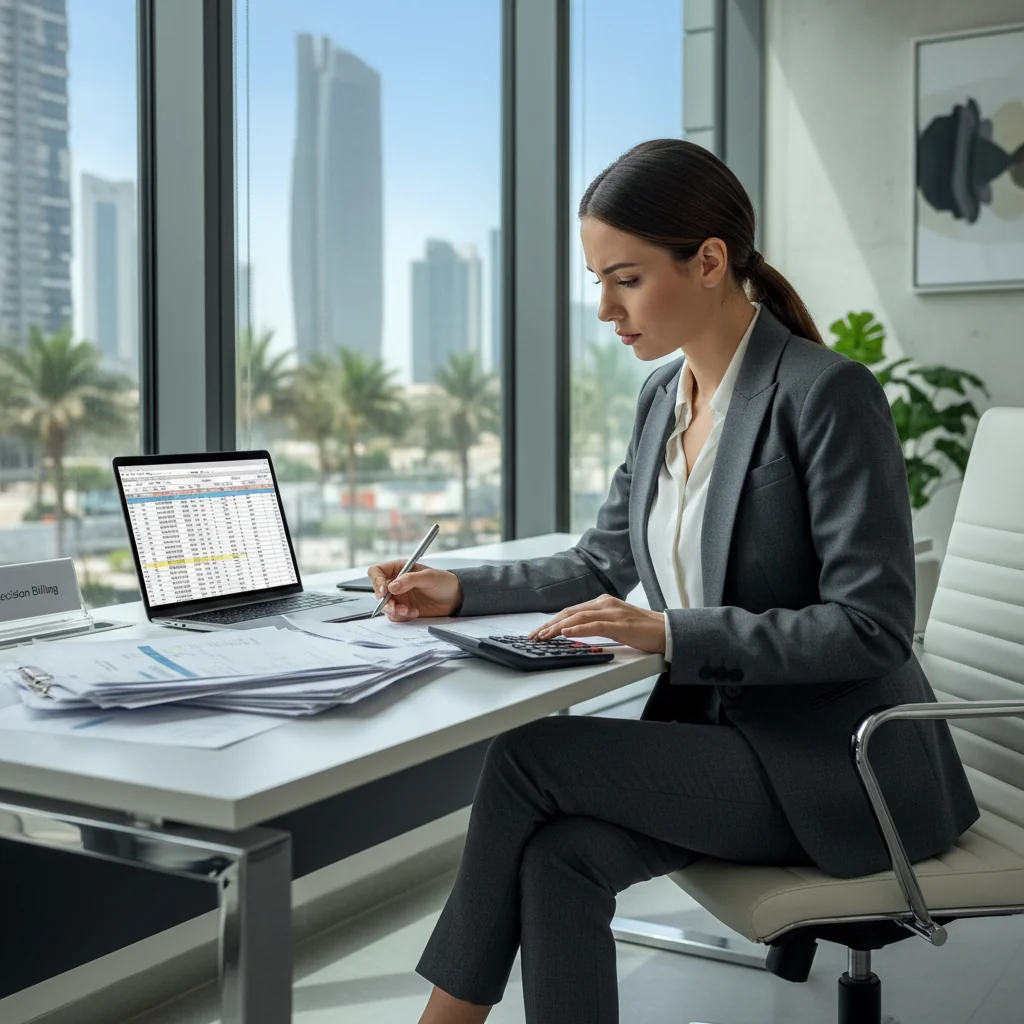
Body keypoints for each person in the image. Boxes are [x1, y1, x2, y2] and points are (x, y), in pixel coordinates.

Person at [367, 139, 979, 1024]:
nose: (608, 310)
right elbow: (596, 562)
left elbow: (872, 625)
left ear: (708, 261)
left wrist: (672, 634)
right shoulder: (663, 398)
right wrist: (454, 588)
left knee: (528, 755)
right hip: (724, 744)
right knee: (558, 856)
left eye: (626, 278)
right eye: (597, 283)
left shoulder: (826, 393)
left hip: (840, 764)